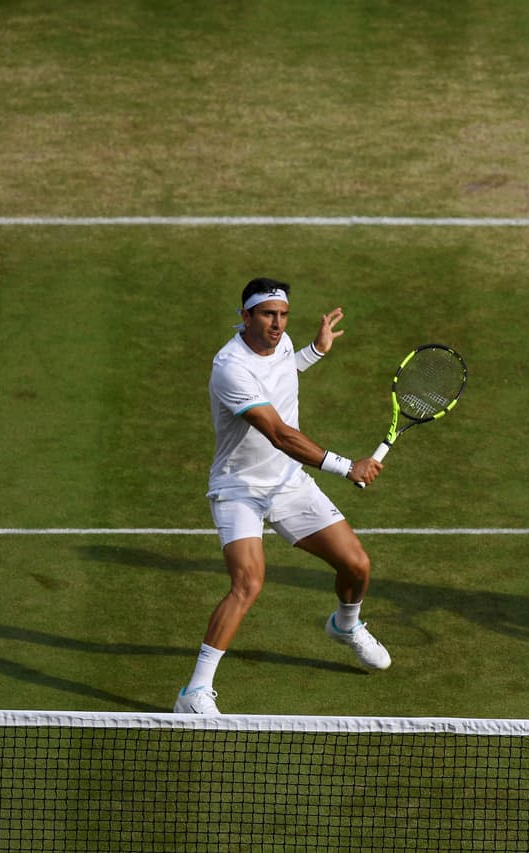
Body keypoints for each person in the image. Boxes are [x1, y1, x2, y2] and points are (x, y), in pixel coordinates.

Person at [175, 277, 391, 715]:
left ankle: (345, 626)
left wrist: (314, 352)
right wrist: (347, 467)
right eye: (268, 315)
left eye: (283, 315)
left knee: (356, 565)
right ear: (245, 317)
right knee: (248, 583)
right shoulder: (230, 367)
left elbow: (283, 373)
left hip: (289, 484)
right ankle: (194, 691)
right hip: (240, 490)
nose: (277, 324)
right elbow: (278, 433)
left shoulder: (285, 342)